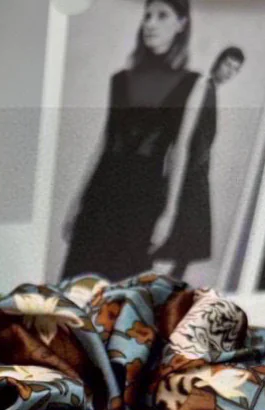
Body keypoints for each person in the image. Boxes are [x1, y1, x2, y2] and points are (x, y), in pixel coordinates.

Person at [61, 0, 199, 281]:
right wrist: (76, 201)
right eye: (147, 16)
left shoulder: (191, 83)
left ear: (181, 24)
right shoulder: (120, 80)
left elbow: (180, 151)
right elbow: (104, 143)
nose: (150, 23)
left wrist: (169, 214)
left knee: (121, 289)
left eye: (162, 16)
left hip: (143, 200)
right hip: (100, 195)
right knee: (78, 286)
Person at [150, 45, 244, 279]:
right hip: (187, 172)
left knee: (190, 241)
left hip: (199, 173)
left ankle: (171, 284)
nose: (230, 72)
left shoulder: (211, 90)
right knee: (169, 236)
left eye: (235, 69)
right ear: (218, 61)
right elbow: (183, 136)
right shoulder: (202, 85)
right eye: (228, 65)